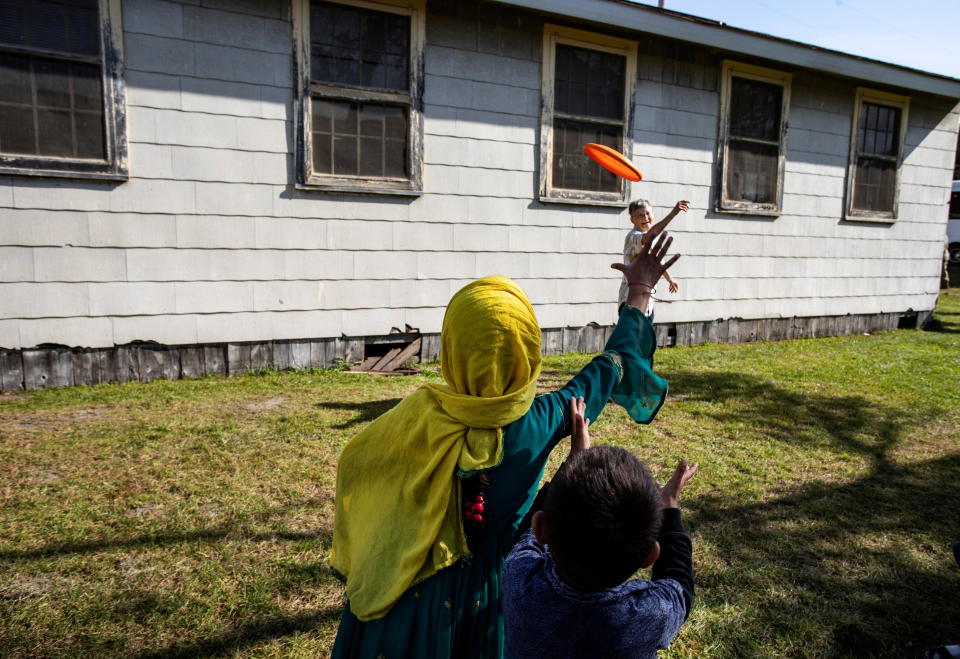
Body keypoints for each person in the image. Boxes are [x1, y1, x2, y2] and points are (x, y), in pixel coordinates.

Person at [329, 233, 681, 658]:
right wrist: (641, 290)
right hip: (492, 600)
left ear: (453, 348)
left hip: (405, 598)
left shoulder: (413, 420)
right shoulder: (544, 420)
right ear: (528, 350)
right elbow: (613, 365)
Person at [502, 395, 698, 659]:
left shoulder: (520, 581)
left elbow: (526, 535)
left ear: (541, 527)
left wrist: (575, 459)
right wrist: (670, 507)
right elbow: (679, 584)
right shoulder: (650, 615)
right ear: (649, 556)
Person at [618, 199, 689, 318]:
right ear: (632, 220)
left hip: (648, 301)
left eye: (648, 213)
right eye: (640, 215)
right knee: (633, 335)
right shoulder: (633, 237)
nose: (645, 217)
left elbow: (657, 262)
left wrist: (669, 279)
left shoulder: (652, 238)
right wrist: (673, 213)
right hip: (631, 301)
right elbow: (647, 237)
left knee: (646, 336)